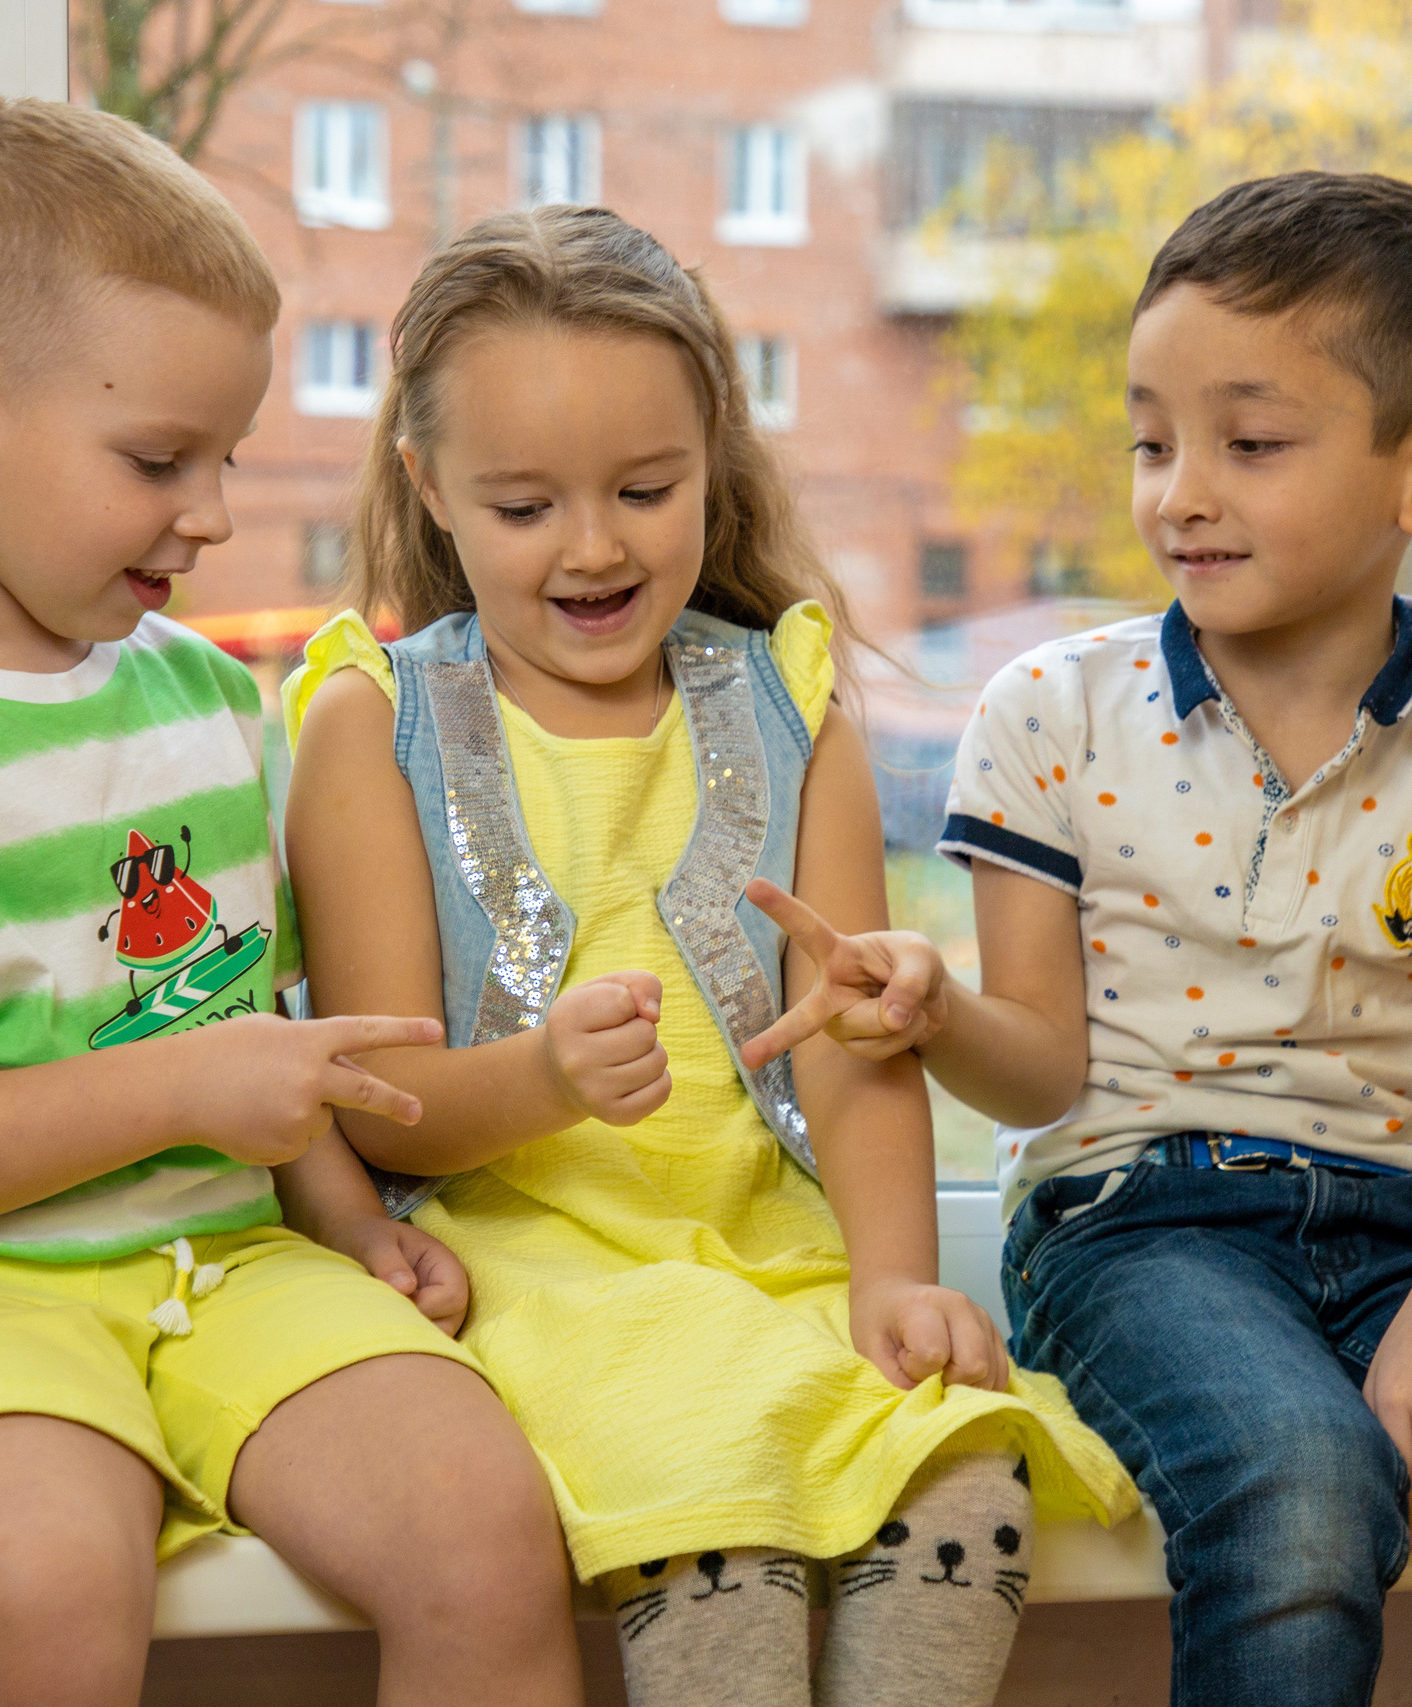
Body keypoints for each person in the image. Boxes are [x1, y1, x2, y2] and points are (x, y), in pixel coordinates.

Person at [749, 172, 1412, 1706]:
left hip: (1411, 1236)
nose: (1178, 491)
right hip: (1135, 1225)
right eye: (1153, 441)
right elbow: (1038, 1071)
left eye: (1250, 445)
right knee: (1304, 1492)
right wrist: (933, 1009)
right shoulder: (1052, 715)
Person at [0, 98, 580, 1707]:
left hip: (223, 1264)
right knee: (45, 1583)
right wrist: (182, 1087)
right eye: (159, 460)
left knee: (487, 1530)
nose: (217, 513)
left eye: (225, 456)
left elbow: (249, 1028)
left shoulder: (199, 700)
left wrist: (349, 1223)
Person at [282, 205, 1138, 1707]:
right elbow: (365, 1100)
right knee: (716, 1507)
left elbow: (849, 1036)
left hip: (774, 1254)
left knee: (964, 1473)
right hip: (535, 1271)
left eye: (645, 487)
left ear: (714, 455)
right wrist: (545, 1080)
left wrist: (887, 1279)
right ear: (430, 487)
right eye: (526, 506)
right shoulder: (375, 721)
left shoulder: (788, 704)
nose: (596, 545)